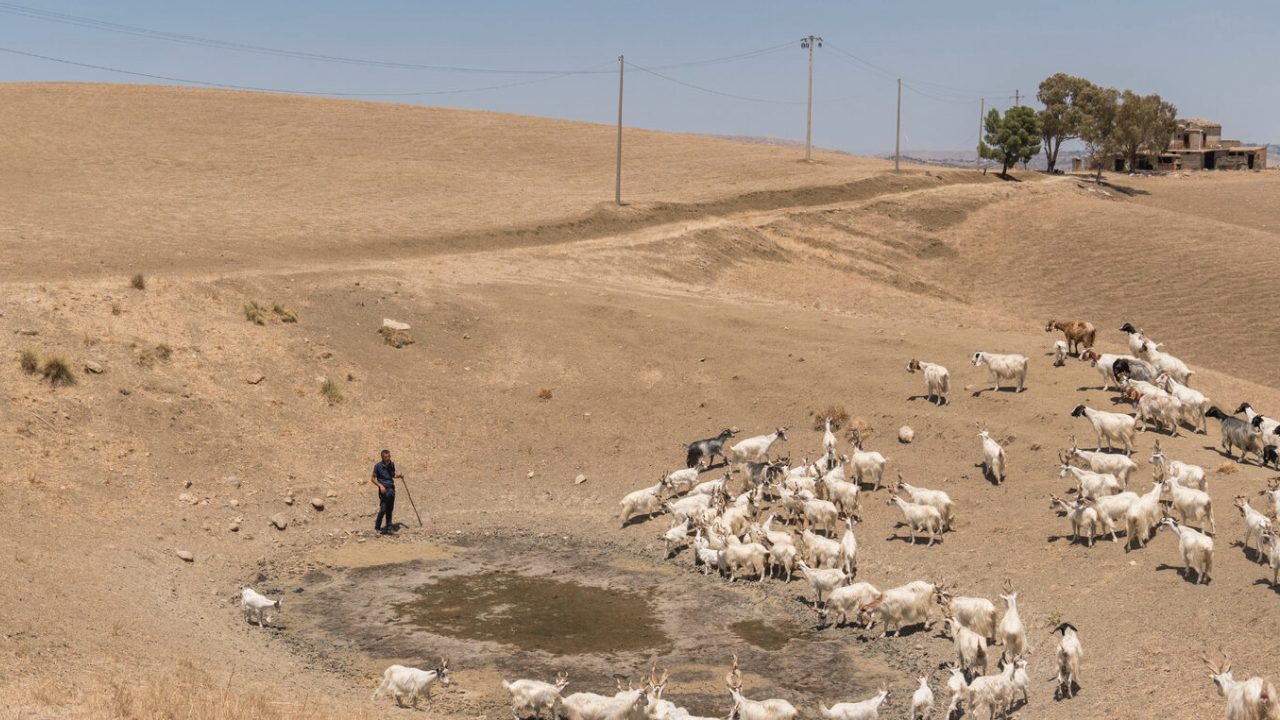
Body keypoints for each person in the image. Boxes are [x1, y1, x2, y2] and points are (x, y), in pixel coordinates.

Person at [371, 449, 403, 534]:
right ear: (382, 457)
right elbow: (372, 479)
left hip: (391, 488)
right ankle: (377, 527)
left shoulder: (391, 464)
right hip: (384, 490)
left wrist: (399, 476)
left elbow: (392, 475)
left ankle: (389, 528)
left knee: (390, 508)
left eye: (389, 456)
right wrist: (380, 486)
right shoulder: (378, 466)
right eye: (386, 457)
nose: (388, 458)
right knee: (383, 508)